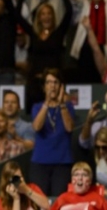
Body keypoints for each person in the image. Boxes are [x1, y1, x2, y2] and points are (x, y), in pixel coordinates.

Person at [30, 68, 75, 196]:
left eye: (55, 82)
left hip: (62, 163)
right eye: (49, 82)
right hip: (40, 163)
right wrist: (47, 103)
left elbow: (69, 128)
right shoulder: (37, 107)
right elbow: (37, 127)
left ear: (61, 86)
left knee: (59, 201)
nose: (52, 86)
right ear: (44, 87)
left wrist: (62, 104)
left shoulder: (68, 107)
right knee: (39, 202)